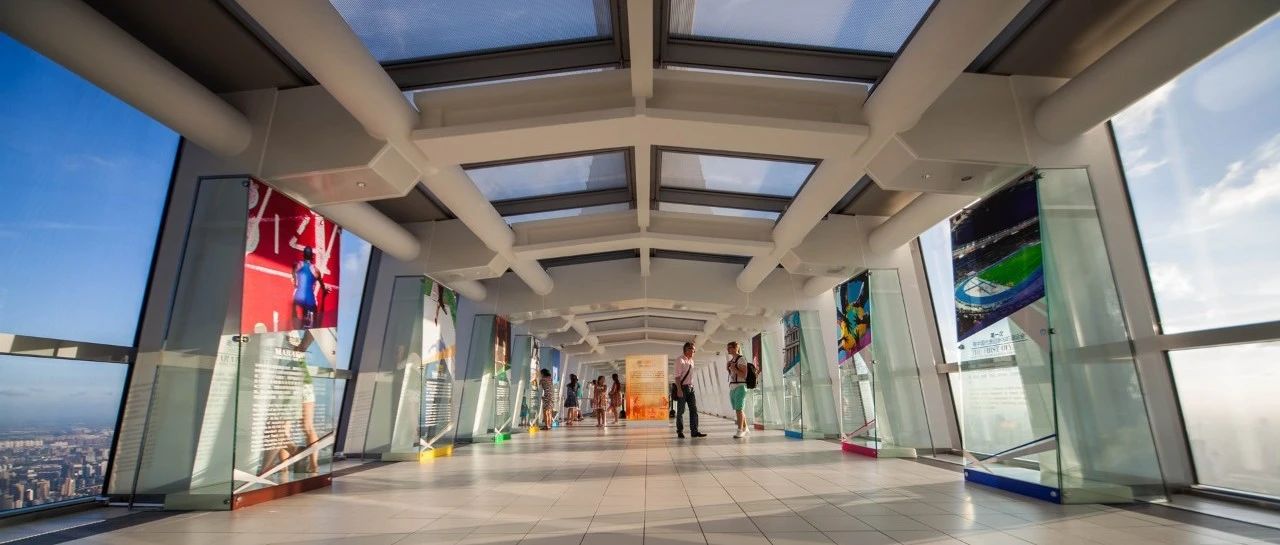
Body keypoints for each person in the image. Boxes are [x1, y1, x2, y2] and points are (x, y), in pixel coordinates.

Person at [725, 341, 758, 438]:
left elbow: (744, 375)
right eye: (727, 347)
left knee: (739, 409)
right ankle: (745, 427)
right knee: (738, 409)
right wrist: (728, 368)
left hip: (740, 386)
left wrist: (734, 369)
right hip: (733, 386)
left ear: (736, 348)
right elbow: (732, 374)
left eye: (730, 347)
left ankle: (740, 430)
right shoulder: (732, 360)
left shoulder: (741, 359)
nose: (728, 349)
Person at [673, 342, 705, 438]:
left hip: (691, 389)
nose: (694, 352)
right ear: (687, 349)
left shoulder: (691, 361)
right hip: (683, 388)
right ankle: (680, 431)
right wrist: (679, 390)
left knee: (694, 410)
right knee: (681, 411)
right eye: (693, 350)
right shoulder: (680, 360)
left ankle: (694, 431)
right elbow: (677, 377)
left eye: (694, 350)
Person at [291, 246, 327, 330]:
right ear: (312, 257)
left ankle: (298, 322)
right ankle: (313, 327)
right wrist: (324, 290)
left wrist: (295, 281)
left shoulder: (297, 265)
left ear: (303, 255)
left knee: (295, 307)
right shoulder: (316, 270)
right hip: (310, 300)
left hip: (298, 297)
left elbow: (293, 272)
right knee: (314, 313)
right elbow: (322, 284)